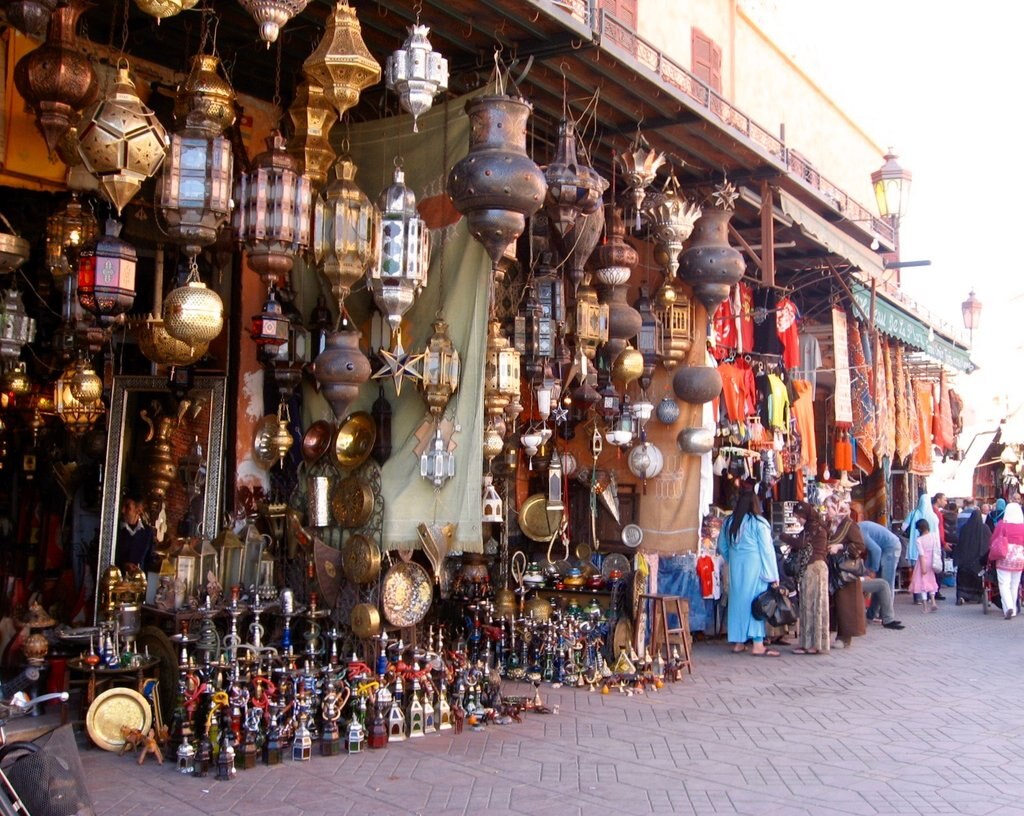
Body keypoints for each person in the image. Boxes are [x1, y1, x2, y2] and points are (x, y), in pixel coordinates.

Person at [717, 491, 781, 657]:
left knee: (738, 603)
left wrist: (732, 559)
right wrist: (773, 575)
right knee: (756, 603)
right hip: (756, 567)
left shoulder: (729, 522)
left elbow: (721, 546)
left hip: (736, 567)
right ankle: (758, 644)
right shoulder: (759, 523)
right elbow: (767, 550)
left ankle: (738, 642)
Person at [781, 501, 829, 655]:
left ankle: (810, 644)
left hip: (812, 568)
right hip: (819, 567)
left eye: (799, 517)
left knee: (810, 605)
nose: (798, 520)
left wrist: (784, 537)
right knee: (816, 605)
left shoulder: (812, 527)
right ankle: (815, 643)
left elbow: (801, 544)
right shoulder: (818, 526)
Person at [825, 498, 867, 648]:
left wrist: (840, 547)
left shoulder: (849, 525)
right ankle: (832, 633)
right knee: (833, 603)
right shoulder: (831, 525)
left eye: (829, 508)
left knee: (846, 604)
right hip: (832, 570)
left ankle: (845, 637)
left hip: (845, 571)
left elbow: (860, 545)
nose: (827, 511)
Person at [857, 518, 902, 617]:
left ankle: (886, 614)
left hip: (891, 547)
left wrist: (873, 570)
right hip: (884, 548)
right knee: (878, 583)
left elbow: (876, 551)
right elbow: (871, 552)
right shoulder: (858, 529)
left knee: (886, 582)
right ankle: (872, 613)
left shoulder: (860, 533)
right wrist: (868, 571)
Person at [988, 501, 1024, 619]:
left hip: (1004, 557)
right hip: (1019, 558)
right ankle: (1013, 609)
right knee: (1015, 584)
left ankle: (1008, 607)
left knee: (1004, 584)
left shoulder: (1002, 524)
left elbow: (993, 539)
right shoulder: (1022, 526)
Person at [903, 493, 940, 603]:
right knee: (929, 575)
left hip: (916, 548)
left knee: (917, 574)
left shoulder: (914, 513)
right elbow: (937, 531)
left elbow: (903, 526)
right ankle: (929, 596)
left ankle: (917, 597)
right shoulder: (934, 516)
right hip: (931, 550)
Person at [953, 508, 991, 605]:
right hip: (978, 563)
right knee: (979, 577)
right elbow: (988, 544)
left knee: (962, 578)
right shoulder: (985, 528)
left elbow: (960, 543)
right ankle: (977, 596)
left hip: (964, 562)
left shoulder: (965, 528)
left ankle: (961, 596)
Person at [115, 492, 156, 576]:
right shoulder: (115, 528)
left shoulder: (148, 532)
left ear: (138, 510)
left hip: (139, 585)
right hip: (116, 583)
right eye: (122, 506)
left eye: (127, 507)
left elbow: (150, 561)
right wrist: (123, 565)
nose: (122, 511)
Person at [908, 519, 940, 612]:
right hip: (933, 561)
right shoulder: (934, 536)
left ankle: (925, 606)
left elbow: (921, 554)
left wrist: (922, 567)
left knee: (922, 583)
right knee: (931, 580)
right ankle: (933, 601)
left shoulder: (919, 540)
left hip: (923, 561)